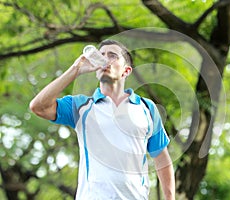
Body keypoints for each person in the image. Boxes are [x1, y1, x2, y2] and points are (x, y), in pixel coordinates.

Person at [29, 39, 175, 200]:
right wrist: (76, 69)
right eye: (101, 55)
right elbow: (38, 107)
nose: (105, 60)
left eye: (112, 56)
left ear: (126, 71)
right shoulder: (80, 106)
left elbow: (161, 158)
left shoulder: (147, 108)